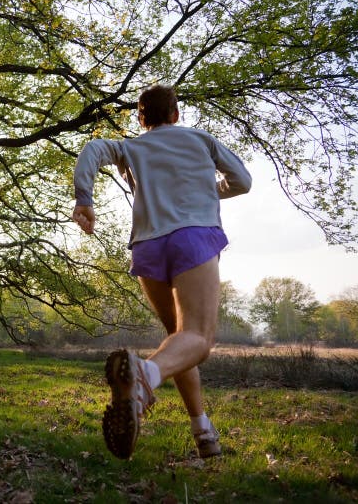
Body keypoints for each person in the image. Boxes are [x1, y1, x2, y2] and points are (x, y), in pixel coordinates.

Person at [72, 85, 252, 460]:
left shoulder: (131, 146)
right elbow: (242, 181)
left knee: (178, 339)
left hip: (148, 247)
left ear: (142, 119)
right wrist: (206, 189)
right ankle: (145, 376)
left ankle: (203, 432)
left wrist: (84, 200)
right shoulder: (201, 139)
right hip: (192, 237)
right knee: (199, 339)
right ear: (175, 114)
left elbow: (92, 150)